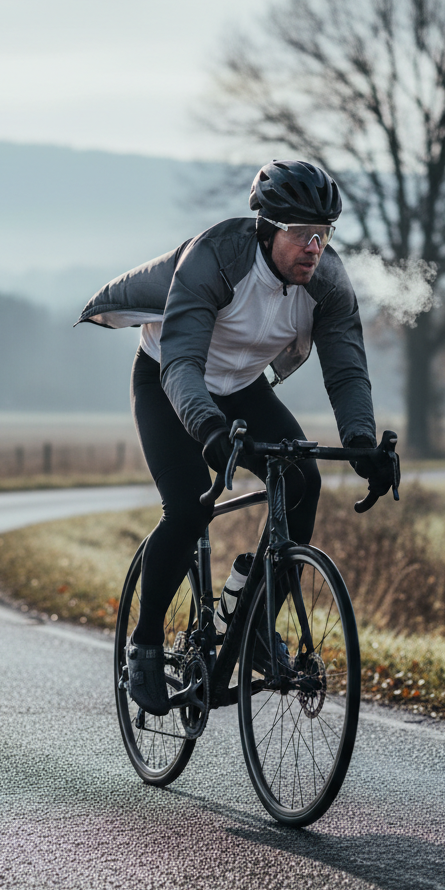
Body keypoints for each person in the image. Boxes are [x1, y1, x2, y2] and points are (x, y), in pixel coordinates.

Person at [77, 160, 394, 715]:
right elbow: (180, 365)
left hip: (242, 388)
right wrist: (209, 430)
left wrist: (364, 443)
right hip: (169, 380)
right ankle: (145, 647)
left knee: (303, 481)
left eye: (324, 234)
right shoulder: (215, 259)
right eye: (301, 234)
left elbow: (346, 368)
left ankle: (252, 624)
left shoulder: (326, 281)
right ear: (267, 228)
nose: (314, 247)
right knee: (188, 507)